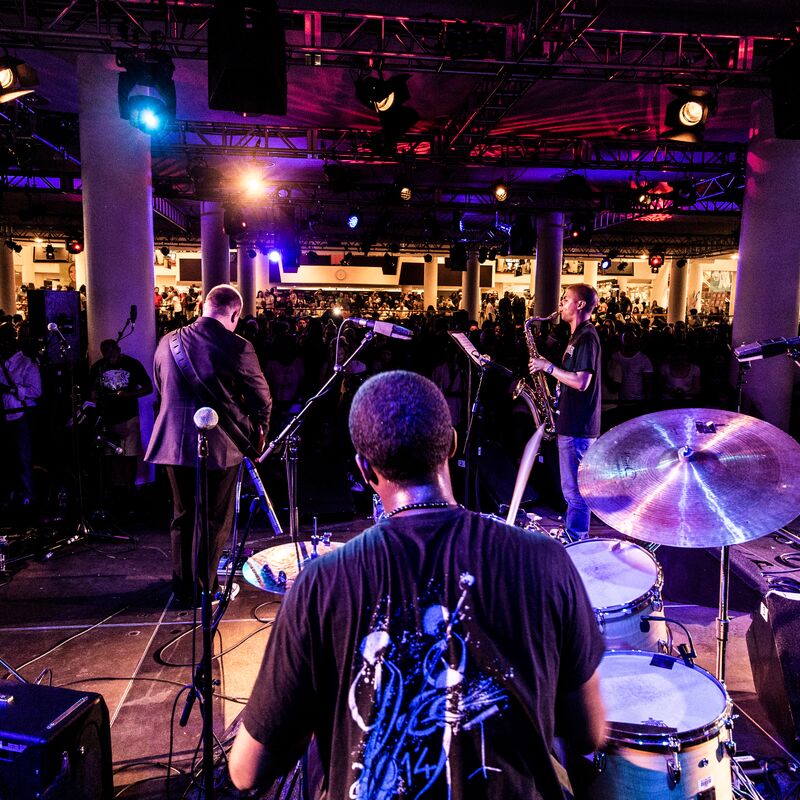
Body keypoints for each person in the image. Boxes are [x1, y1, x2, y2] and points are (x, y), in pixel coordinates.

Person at [229, 370, 606, 798]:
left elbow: (246, 771)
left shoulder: (319, 585)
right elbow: (589, 734)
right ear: (451, 444)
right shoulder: (546, 561)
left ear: (364, 469)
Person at [145, 284, 272, 606]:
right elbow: (262, 399)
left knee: (183, 515)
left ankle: (183, 587)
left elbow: (161, 389)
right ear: (234, 313)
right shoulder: (238, 346)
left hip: (172, 442)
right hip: (219, 446)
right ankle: (207, 588)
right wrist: (259, 433)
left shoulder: (166, 342)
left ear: (203, 306)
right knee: (213, 520)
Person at [529, 283, 601, 541]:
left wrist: (548, 368)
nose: (561, 304)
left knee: (576, 492)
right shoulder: (576, 336)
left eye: (566, 299)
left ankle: (576, 539)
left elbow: (582, 381)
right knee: (571, 491)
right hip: (570, 422)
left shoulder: (587, 336)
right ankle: (575, 536)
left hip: (578, 426)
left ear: (580, 304)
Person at [89, 339, 153, 510]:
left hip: (128, 417)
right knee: (110, 457)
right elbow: (92, 389)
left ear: (118, 349)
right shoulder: (98, 367)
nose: (109, 357)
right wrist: (94, 395)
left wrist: (129, 395)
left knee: (130, 456)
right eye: (105, 353)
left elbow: (149, 388)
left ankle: (130, 491)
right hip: (107, 418)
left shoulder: (132, 364)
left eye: (111, 352)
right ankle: (114, 493)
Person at [0, 322, 42, 510]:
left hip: (21, 416)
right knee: (7, 460)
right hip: (4, 416)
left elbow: (36, 391)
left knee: (23, 459)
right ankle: (11, 498)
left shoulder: (27, 364)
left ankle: (29, 498)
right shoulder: (2, 364)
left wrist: (11, 389)